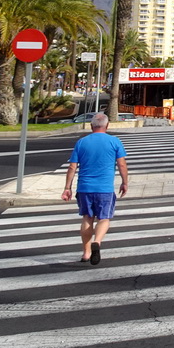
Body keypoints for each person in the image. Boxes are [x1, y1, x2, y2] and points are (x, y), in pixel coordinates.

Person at [61, 112, 128, 265]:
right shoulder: (115, 141)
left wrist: (67, 187)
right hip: (104, 188)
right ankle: (97, 242)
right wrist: (124, 182)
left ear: (91, 126)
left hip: (84, 187)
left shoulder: (82, 142)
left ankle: (86, 252)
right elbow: (122, 164)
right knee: (104, 218)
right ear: (107, 126)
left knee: (87, 218)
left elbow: (72, 166)